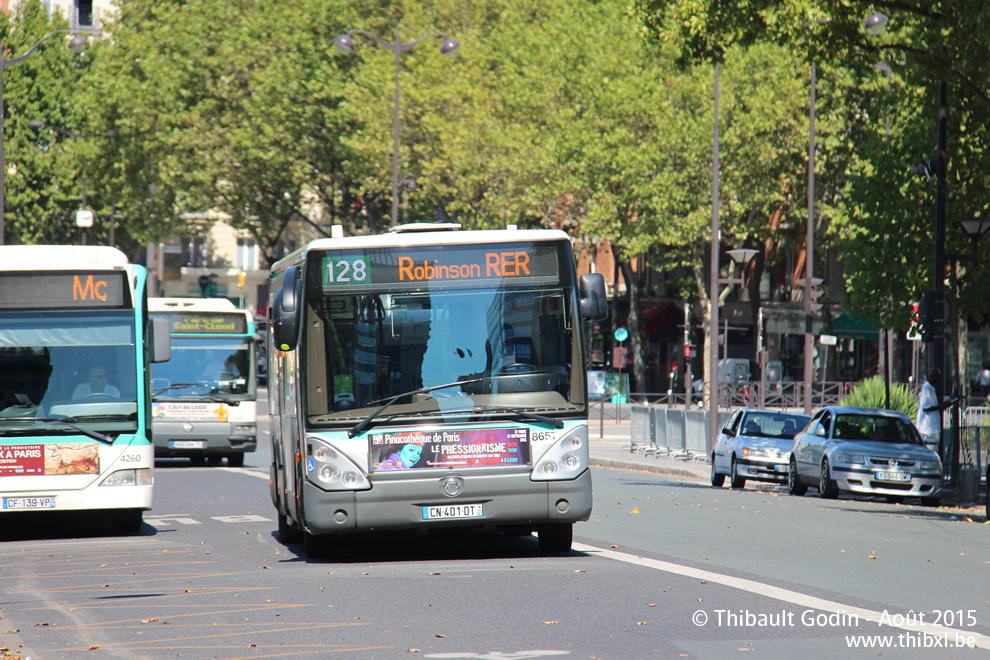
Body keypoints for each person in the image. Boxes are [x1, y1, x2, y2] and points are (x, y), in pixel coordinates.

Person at [916, 368, 953, 453]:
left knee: (934, 450)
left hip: (933, 428)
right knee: (930, 452)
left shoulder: (931, 388)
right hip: (928, 429)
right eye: (937, 377)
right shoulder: (926, 388)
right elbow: (926, 407)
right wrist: (941, 406)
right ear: (933, 377)